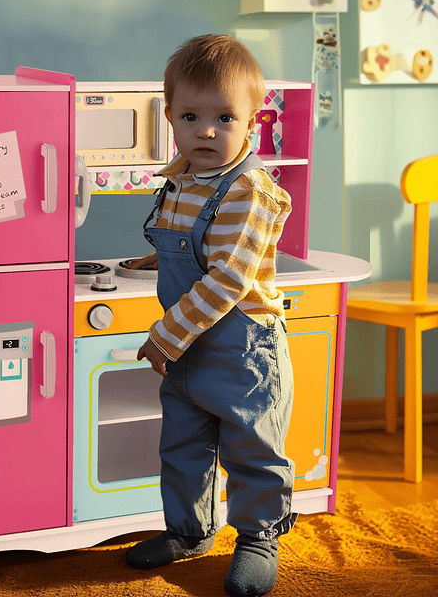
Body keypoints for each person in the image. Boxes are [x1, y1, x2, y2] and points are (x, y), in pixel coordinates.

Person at [124, 35, 296, 597]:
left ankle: (259, 537)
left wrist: (164, 337)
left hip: (241, 348)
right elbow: (196, 247)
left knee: (251, 447)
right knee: (183, 445)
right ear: (169, 116)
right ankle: (189, 532)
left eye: (225, 117)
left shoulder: (250, 191)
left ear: (252, 120)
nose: (206, 130)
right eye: (191, 116)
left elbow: (227, 278)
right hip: (191, 346)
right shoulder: (183, 179)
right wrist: (160, 255)